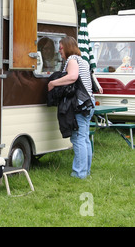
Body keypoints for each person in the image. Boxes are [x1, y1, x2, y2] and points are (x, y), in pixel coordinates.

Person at [48, 36, 95, 179]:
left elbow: (73, 77)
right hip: (88, 103)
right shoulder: (83, 61)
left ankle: (79, 173)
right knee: (84, 138)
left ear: (67, 47)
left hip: (80, 105)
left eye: (61, 48)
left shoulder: (72, 60)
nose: (59, 51)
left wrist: (54, 83)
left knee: (78, 139)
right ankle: (85, 171)